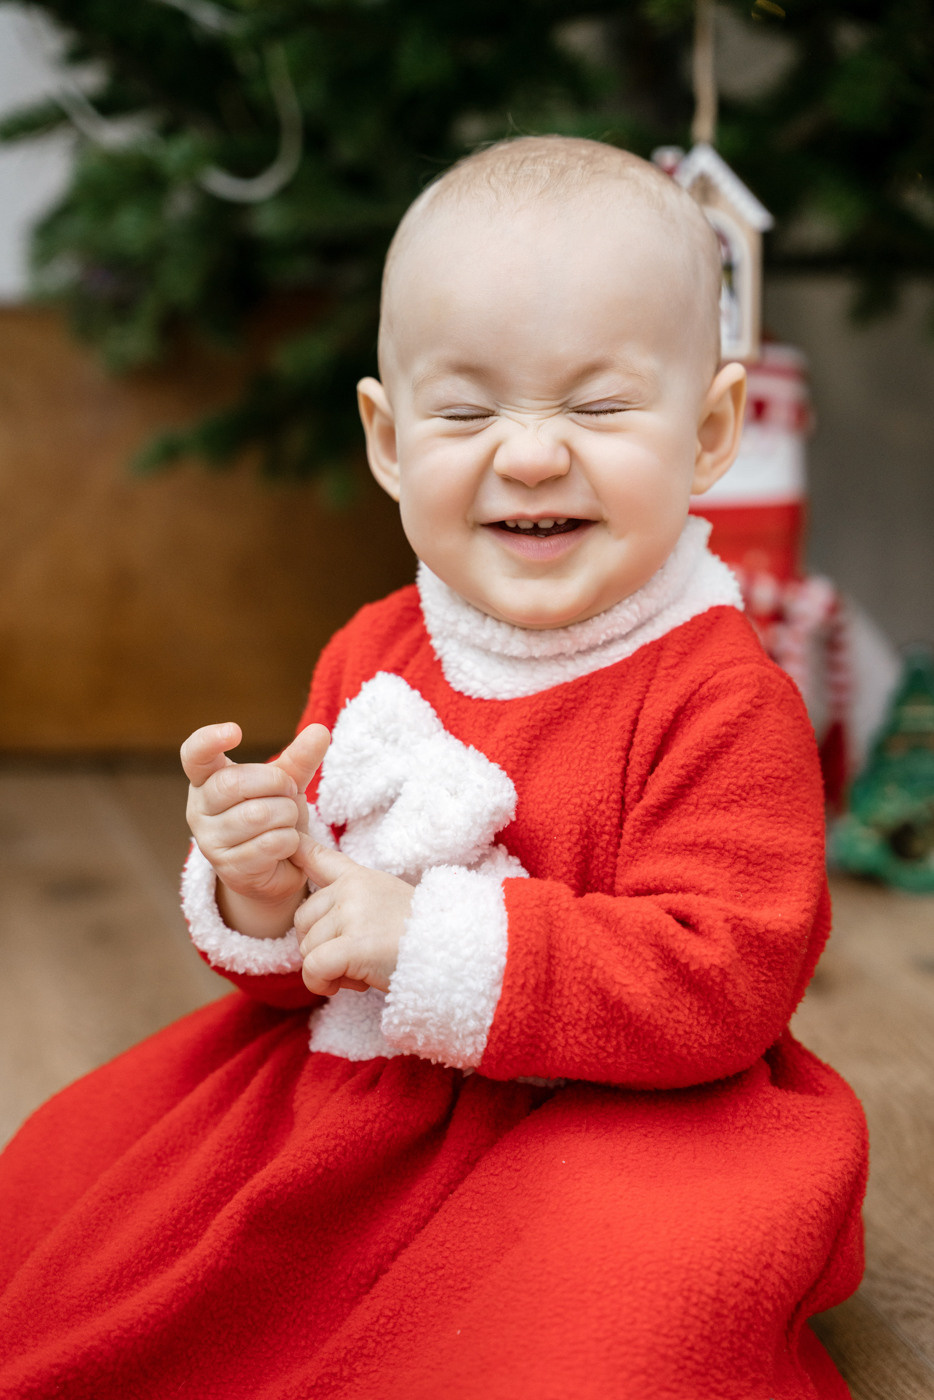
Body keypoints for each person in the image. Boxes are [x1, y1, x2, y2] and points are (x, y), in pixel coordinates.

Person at [0, 136, 867, 1400]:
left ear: (710, 432)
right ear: (390, 439)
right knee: (85, 1184)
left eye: (598, 404)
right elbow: (315, 951)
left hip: (623, 1105)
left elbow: (724, 974)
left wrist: (440, 940)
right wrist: (263, 885)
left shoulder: (720, 692)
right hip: (384, 1083)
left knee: (621, 1296)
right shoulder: (377, 647)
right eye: (466, 411)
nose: (527, 455)